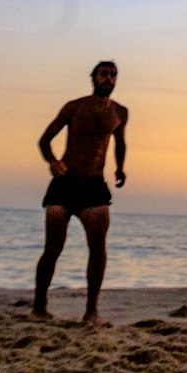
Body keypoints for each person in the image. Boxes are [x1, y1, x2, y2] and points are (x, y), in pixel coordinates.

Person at [33, 61, 128, 325]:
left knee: (97, 249)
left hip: (94, 186)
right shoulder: (74, 107)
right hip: (64, 183)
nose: (108, 78)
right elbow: (44, 140)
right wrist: (52, 161)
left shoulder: (120, 112)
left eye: (113, 75)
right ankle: (39, 306)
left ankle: (91, 312)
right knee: (52, 248)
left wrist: (120, 168)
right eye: (104, 74)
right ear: (94, 78)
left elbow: (120, 143)